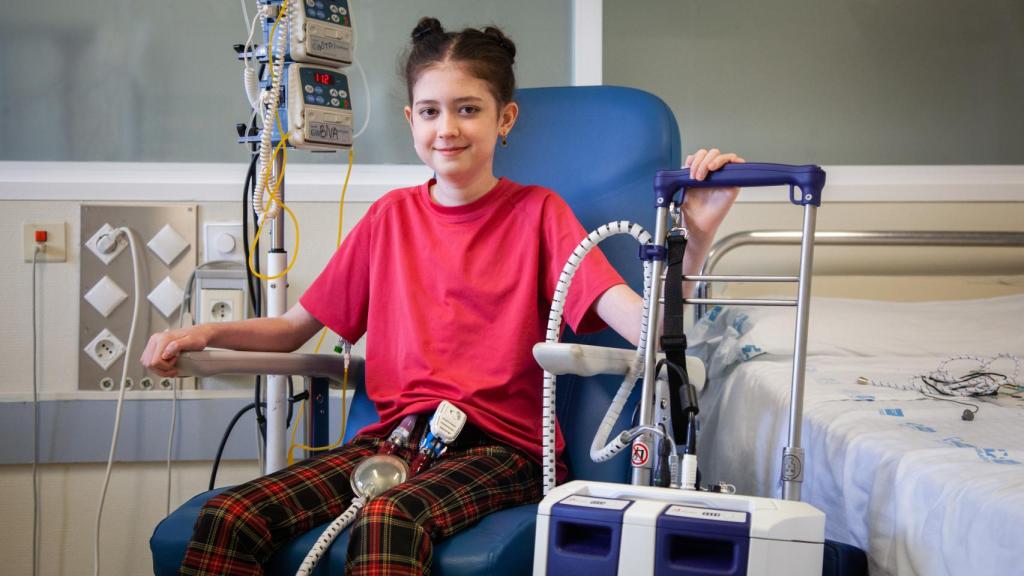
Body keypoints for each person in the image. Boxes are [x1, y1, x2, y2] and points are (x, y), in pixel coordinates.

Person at [142, 16, 745, 576]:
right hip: (394, 440)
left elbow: (645, 326)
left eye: (468, 109)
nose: (447, 128)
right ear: (411, 120)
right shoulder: (388, 219)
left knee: (389, 519)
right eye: (430, 111)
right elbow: (295, 328)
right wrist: (203, 333)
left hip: (503, 450)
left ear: (505, 119)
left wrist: (694, 240)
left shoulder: (540, 215)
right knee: (231, 517)